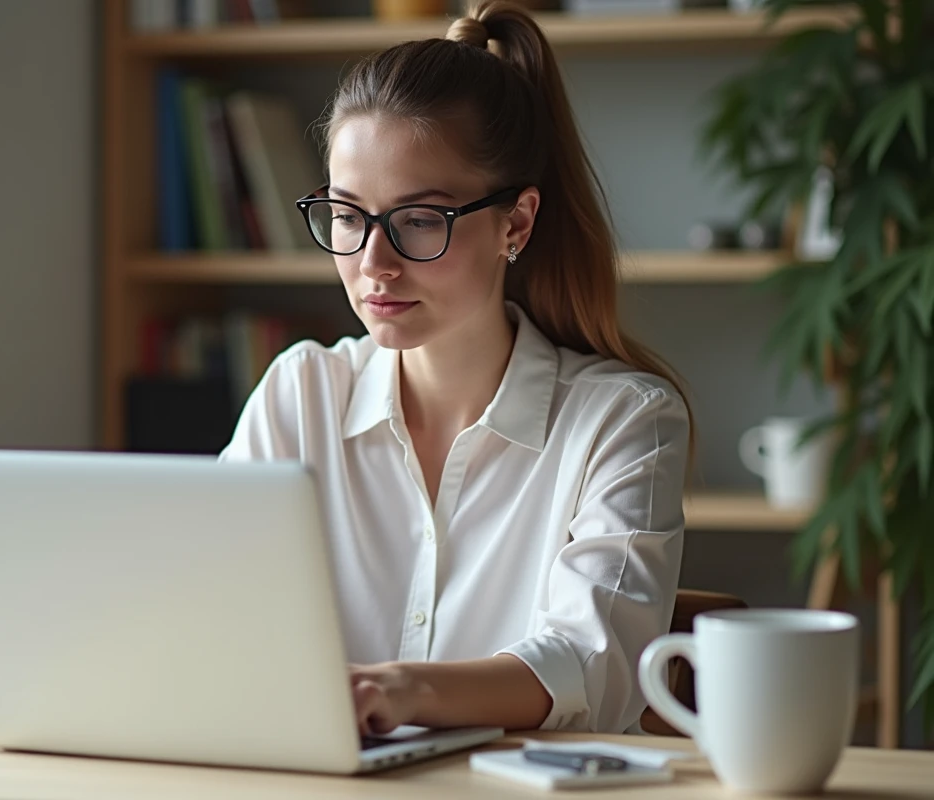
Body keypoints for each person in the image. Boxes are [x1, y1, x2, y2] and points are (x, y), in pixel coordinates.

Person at [219, 0, 693, 735]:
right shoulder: (299, 392)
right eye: (348, 217)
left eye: (418, 221)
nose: (373, 265)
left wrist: (397, 692)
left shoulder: (623, 419)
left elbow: (590, 669)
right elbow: (204, 608)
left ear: (517, 223)